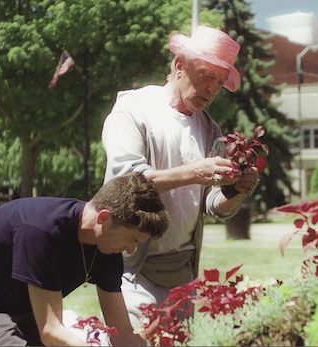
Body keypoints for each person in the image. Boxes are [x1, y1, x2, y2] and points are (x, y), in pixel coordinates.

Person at [101, 25, 260, 330]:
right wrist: (194, 173)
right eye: (206, 76)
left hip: (182, 271)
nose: (212, 89)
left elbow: (212, 204)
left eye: (220, 81)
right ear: (179, 66)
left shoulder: (210, 129)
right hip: (131, 267)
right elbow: (124, 181)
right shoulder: (133, 109)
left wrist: (234, 191)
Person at [0, 172, 168, 346]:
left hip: (12, 308)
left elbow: (122, 332)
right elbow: (51, 331)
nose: (131, 250)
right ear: (104, 219)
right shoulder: (42, 231)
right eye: (131, 240)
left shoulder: (108, 247)